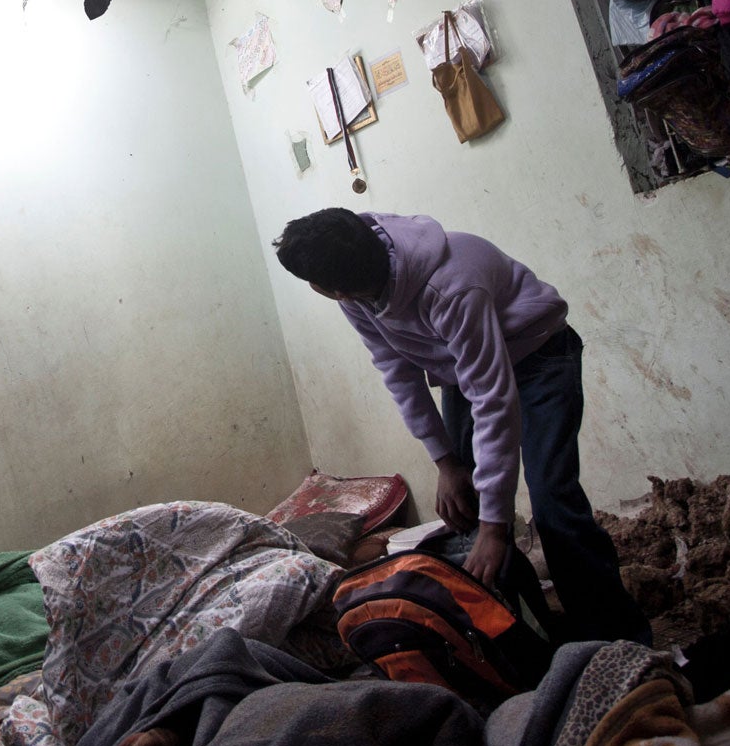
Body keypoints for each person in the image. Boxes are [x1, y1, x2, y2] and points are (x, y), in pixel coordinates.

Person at [273, 209, 652, 645]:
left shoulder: (450, 287)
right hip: (462, 366)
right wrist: (446, 461)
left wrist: (497, 527)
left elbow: (493, 400)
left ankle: (621, 637)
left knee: (553, 502)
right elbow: (397, 371)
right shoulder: (357, 293)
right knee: (465, 506)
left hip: (539, 355)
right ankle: (536, 634)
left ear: (330, 286)